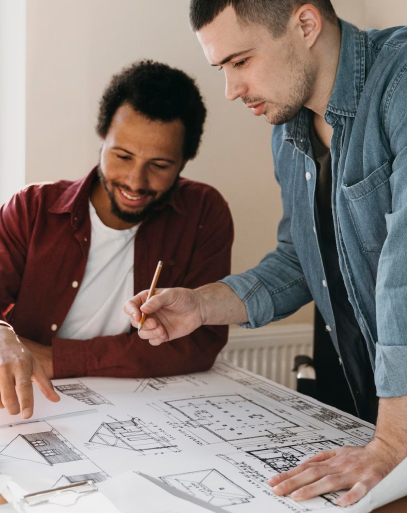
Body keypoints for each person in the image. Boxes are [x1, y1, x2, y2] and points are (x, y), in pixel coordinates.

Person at [124, 1, 407, 507]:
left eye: (240, 62)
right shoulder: (288, 130)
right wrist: (202, 305)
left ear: (304, 24)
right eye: (222, 69)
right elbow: (300, 260)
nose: (230, 91)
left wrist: (394, 442)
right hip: (382, 425)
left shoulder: (401, 83)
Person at [0, 60, 233, 420]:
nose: (135, 181)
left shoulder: (204, 213)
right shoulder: (31, 208)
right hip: (33, 403)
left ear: (185, 160)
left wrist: (55, 356)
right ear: (102, 139)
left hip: (141, 410)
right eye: (122, 156)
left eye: (159, 165)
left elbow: (200, 345)